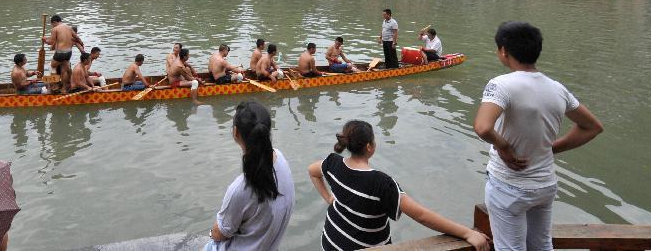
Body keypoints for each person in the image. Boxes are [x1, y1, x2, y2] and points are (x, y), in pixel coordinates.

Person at [474, 21, 603, 251]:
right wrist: (551, 148)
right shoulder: (557, 88)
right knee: (542, 245)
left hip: (509, 185)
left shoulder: (500, 84)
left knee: (510, 248)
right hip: (545, 185)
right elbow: (592, 127)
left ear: (504, 51)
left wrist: (504, 146)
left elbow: (483, 127)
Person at [309, 120, 490, 251]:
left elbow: (312, 171)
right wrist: (468, 233)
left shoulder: (333, 163)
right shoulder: (381, 183)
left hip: (330, 242)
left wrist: (329, 199)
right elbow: (421, 216)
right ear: (369, 146)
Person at [206, 101, 294, 250]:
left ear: (236, 133)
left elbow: (221, 232)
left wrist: (211, 233)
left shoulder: (240, 189)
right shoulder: (281, 159)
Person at [43, 15, 79, 91]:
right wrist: (81, 43)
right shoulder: (69, 27)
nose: (52, 26)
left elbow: (51, 42)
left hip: (60, 53)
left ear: (54, 22)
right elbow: (76, 37)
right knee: (64, 69)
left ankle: (55, 85)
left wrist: (45, 40)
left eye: (52, 24)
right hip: (69, 52)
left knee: (52, 66)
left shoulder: (55, 29)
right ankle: (64, 88)